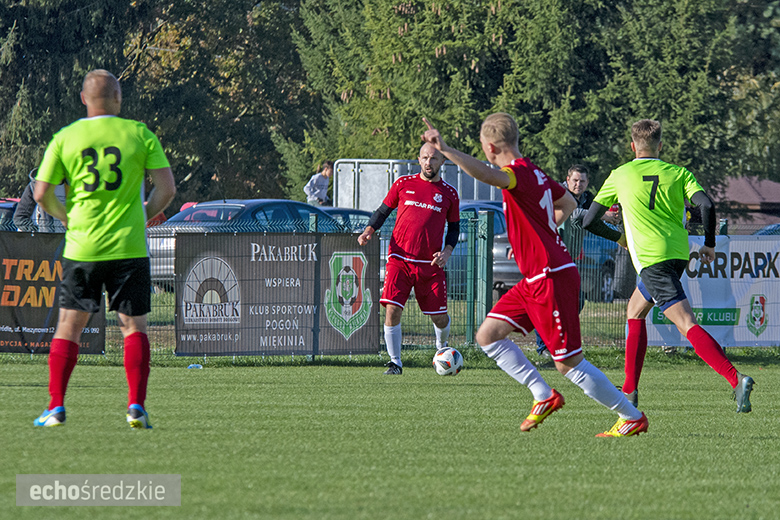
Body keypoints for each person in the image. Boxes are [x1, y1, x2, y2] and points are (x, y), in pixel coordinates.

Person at [422, 113, 648, 437]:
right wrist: (534, 237)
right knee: (488, 335)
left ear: (489, 147)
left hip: (551, 277)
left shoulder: (515, 173)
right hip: (536, 276)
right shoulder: (535, 172)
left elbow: (488, 175)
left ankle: (631, 415)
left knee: (568, 363)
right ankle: (543, 395)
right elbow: (568, 203)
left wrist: (446, 149)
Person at [32, 69, 176, 428]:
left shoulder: (66, 137)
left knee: (69, 326)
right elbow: (167, 189)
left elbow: (41, 193)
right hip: (129, 246)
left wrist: (65, 217)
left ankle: (56, 407)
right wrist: (143, 215)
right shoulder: (139, 134)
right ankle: (136, 406)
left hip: (83, 246)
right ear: (118, 98)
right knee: (134, 327)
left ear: (84, 99)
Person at [583, 119, 754, 412]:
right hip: (677, 255)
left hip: (651, 260)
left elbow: (589, 221)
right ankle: (630, 391)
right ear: (660, 146)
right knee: (635, 311)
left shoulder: (620, 174)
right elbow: (707, 206)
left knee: (686, 322)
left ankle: (735, 379)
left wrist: (620, 238)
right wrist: (709, 244)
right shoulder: (678, 173)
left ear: (632, 145)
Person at [357, 143, 460, 374]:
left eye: (433, 158)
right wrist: (368, 231)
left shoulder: (450, 194)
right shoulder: (403, 184)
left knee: (440, 318)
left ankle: (441, 349)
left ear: (442, 162)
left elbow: (454, 229)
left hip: (431, 265)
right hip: (399, 259)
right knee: (392, 309)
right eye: (424, 157)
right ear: (418, 159)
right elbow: (382, 211)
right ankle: (395, 362)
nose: (428, 162)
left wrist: (447, 252)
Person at [534, 164, 594, 357]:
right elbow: (574, 214)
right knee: (549, 301)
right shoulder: (557, 194)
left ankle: (559, 342)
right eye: (575, 180)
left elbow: (592, 219)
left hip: (569, 260)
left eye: (582, 181)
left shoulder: (587, 198)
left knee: (577, 301)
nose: (578, 184)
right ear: (567, 180)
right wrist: (604, 216)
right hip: (549, 256)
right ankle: (544, 347)